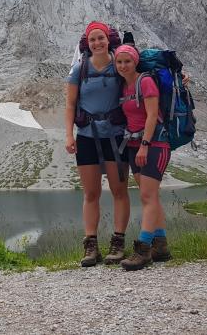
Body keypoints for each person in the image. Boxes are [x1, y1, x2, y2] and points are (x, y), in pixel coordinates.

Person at [64, 21, 130, 267]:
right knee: (91, 193)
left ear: (109, 39)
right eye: (92, 40)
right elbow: (70, 104)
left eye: (100, 38)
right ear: (87, 44)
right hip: (87, 136)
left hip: (115, 136)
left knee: (119, 190)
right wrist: (69, 135)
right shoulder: (78, 70)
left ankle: (118, 241)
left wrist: (182, 78)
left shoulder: (121, 64)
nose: (97, 43)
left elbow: (144, 80)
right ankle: (91, 245)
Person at [113, 44, 173, 271]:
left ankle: (143, 249)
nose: (123, 66)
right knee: (150, 196)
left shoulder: (145, 82)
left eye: (127, 61)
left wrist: (145, 145)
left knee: (147, 196)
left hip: (154, 144)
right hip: (134, 144)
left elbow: (151, 115)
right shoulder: (124, 86)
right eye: (119, 62)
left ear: (135, 62)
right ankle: (161, 246)